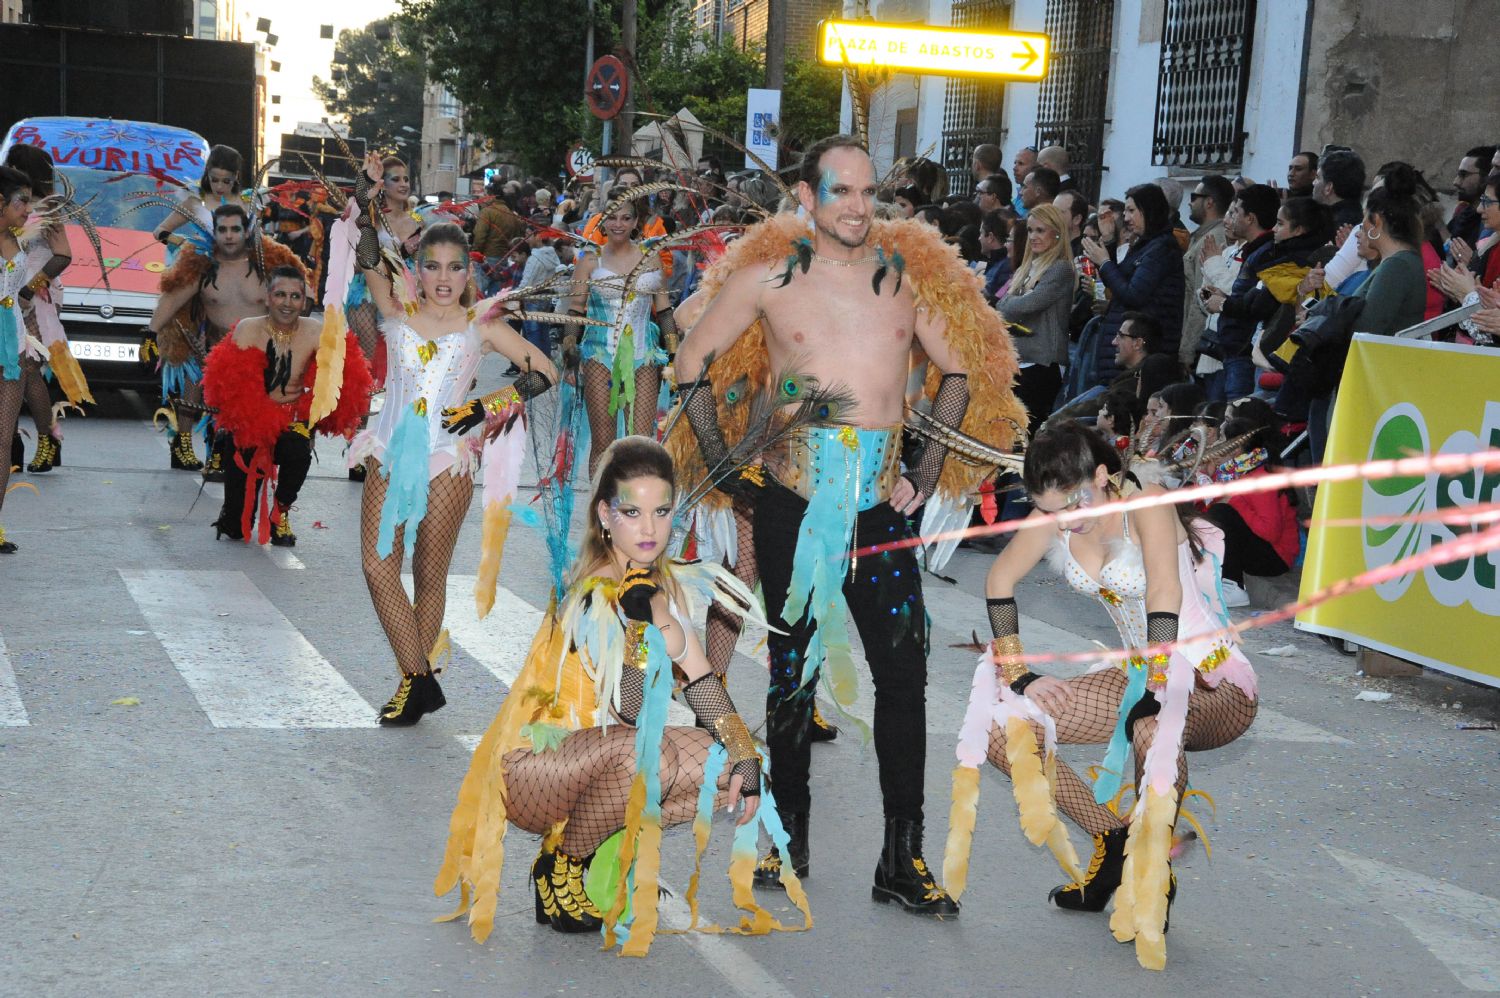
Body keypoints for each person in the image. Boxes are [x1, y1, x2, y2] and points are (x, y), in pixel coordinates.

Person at [672, 134, 1025, 915]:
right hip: (793, 505)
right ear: (807, 197)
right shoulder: (767, 277)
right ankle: (786, 839)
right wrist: (726, 466)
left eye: (871, 192)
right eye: (843, 192)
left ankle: (902, 859)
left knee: (904, 681)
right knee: (792, 677)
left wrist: (925, 471)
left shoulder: (904, 279)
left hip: (880, 513)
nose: (861, 207)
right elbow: (691, 358)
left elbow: (957, 369)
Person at [434, 437, 808, 952]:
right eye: (632, 512)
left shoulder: (650, 585)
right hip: (534, 767)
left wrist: (746, 757)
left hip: (596, 761)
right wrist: (640, 628)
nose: (650, 529)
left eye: (661, 511)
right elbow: (628, 710)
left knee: (726, 766)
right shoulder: (594, 587)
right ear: (605, 514)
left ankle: (588, 846)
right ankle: (562, 863)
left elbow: (701, 683)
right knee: (642, 750)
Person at [950, 419, 1257, 971]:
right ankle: (1113, 839)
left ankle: (1152, 873)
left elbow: (1163, 588)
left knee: (1151, 727)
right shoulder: (1056, 516)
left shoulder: (1148, 504)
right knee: (1005, 732)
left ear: (1102, 474)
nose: (1067, 519)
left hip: (1213, 679)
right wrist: (1020, 676)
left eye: (1075, 501)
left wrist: (1160, 684)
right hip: (1137, 671)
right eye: (1053, 509)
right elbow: (998, 580)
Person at [350, 213, 556, 726]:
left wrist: (484, 408)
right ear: (417, 269)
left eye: (455, 268)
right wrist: (364, 199)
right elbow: (368, 256)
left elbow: (545, 372)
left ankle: (409, 687)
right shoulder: (395, 308)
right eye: (433, 266)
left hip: (448, 456)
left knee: (428, 572)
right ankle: (420, 679)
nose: (444, 278)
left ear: (469, 274)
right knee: (378, 566)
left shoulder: (481, 324)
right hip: (388, 451)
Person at [202, 266, 371, 544]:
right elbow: (229, 390)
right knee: (235, 526)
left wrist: (312, 416)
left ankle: (280, 513)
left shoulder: (317, 332)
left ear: (304, 302)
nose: (287, 303)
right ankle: (234, 505)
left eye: (295, 296)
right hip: (251, 426)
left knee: (297, 449)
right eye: (280, 295)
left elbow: (343, 380)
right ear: (268, 298)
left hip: (293, 421)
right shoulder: (247, 330)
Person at [145, 203, 307, 474]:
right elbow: (173, 298)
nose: (229, 236)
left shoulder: (267, 263)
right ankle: (219, 453)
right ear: (214, 232)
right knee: (226, 429)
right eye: (223, 230)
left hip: (267, 361)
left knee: (267, 446)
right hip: (221, 357)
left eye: (235, 229)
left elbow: (301, 295)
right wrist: (150, 334)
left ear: (247, 232)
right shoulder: (201, 266)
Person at [564, 191, 675, 476]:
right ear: (602, 220)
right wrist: (569, 353)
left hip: (644, 357)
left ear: (636, 220)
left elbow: (663, 310)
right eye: (612, 217)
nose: (618, 224)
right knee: (604, 442)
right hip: (600, 355)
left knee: (640, 442)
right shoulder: (590, 260)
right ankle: (600, 513)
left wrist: (674, 355)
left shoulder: (651, 258)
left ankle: (633, 506)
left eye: (626, 218)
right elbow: (576, 310)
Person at [2, 143, 85, 474]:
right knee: (16, 366)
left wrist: (28, 288)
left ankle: (47, 438)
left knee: (29, 367)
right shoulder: (13, 206)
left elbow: (63, 255)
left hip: (37, 295)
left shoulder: (47, 208)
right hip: (12, 290)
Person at [1204, 191, 1329, 401]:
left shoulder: (1291, 261)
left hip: (1261, 350)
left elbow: (1259, 303)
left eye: (1280, 224)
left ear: (1298, 230)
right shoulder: (1278, 254)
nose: (1274, 229)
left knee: (1241, 418)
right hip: (1250, 350)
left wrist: (1225, 304)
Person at [1081, 183, 1186, 383]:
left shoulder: (1162, 248)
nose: (1126, 218)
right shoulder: (1145, 245)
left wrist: (1104, 262)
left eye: (1131, 210)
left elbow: (1133, 294)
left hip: (1143, 356)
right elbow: (1121, 281)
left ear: (1149, 211)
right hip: (1125, 352)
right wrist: (1110, 242)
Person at [1199, 416, 1299, 607]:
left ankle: (1234, 585)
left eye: (1222, 440)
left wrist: (1234, 499)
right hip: (1259, 548)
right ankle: (1211, 579)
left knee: (1222, 512)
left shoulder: (1261, 478)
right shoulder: (1232, 472)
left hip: (1275, 558)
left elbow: (1271, 531)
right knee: (1211, 514)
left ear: (1236, 448)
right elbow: (1205, 511)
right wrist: (1204, 475)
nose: (1217, 444)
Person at [997, 204, 1074, 436]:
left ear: (1057, 233)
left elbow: (1026, 305)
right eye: (1030, 231)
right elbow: (1001, 306)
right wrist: (1012, 304)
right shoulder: (1028, 267)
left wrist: (1012, 303)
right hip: (1019, 361)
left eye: (1040, 230)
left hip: (1043, 364)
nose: (1033, 237)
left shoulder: (1061, 269)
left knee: (1025, 435)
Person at [1180, 176, 1234, 370]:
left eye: (1194, 197)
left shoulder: (1213, 238)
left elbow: (1200, 298)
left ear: (1209, 201)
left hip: (1203, 347)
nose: (1189, 202)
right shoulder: (1201, 235)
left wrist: (1187, 350)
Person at [153, 144, 246, 254]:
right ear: (207, 174)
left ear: (236, 176)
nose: (219, 187)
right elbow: (160, 230)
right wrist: (183, 243)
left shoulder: (247, 202)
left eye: (226, 181)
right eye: (214, 180)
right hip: (205, 267)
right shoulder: (195, 202)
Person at [472, 180, 526, 296]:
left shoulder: (487, 212)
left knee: (478, 293)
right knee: (495, 295)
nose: (483, 198)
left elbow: (480, 236)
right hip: (504, 258)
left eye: (485, 195)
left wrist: (476, 254)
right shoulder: (511, 213)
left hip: (486, 257)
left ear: (491, 196)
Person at [1448, 145, 1496, 250]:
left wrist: (1472, 262)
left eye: (1464, 174)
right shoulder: (1463, 215)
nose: (1455, 182)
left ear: (1486, 176)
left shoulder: (1493, 222)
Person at [1314, 149, 1367, 229]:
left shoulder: (1330, 226)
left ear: (1328, 188)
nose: (1313, 183)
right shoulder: (1361, 217)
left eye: (1317, 178)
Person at [1011, 146, 1038, 215]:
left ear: (1034, 167)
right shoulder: (1014, 200)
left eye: (1021, 163)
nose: (1014, 168)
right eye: (1015, 163)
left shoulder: (1034, 201)